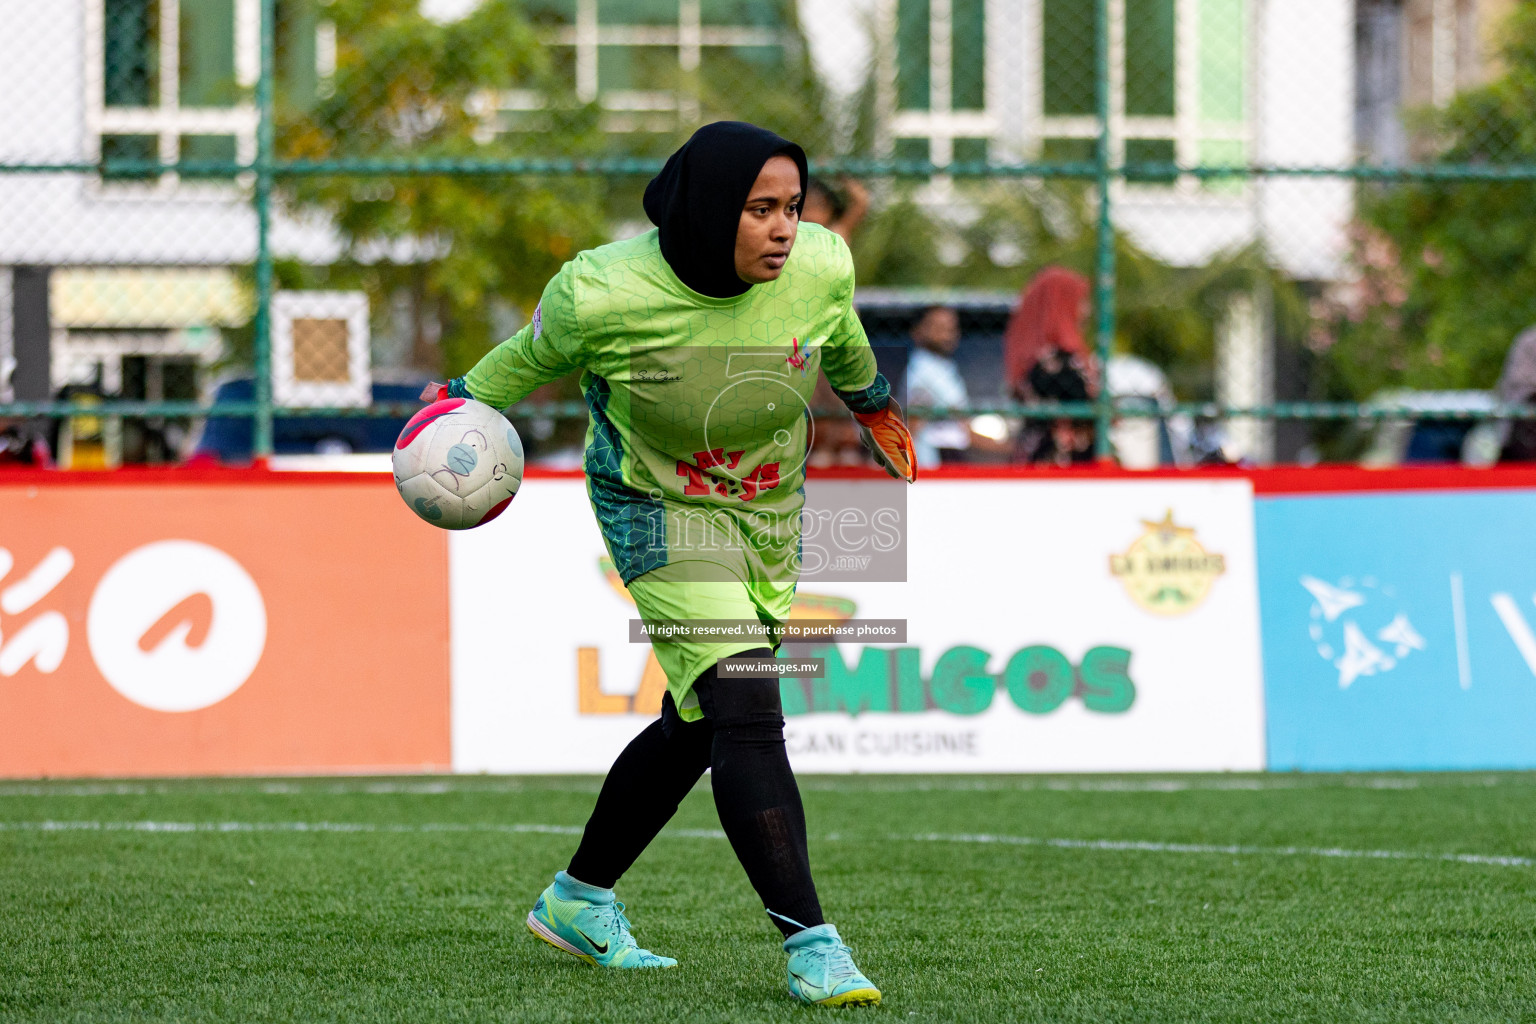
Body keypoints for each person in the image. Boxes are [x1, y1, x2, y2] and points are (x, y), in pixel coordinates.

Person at [424, 122, 915, 1007]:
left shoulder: (821, 265)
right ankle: (813, 945)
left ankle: (579, 899)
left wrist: (874, 405)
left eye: (793, 208)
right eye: (760, 208)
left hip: (765, 511)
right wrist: (453, 411)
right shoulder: (602, 292)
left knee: (699, 721)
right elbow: (522, 362)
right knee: (747, 697)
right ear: (705, 206)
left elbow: (839, 335)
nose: (783, 229)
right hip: (653, 506)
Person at [1003, 266, 1099, 466]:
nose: (1086, 311)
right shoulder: (1055, 361)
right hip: (1061, 462)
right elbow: (1085, 405)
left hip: (1038, 456)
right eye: (1081, 302)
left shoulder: (1033, 356)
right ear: (1061, 304)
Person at [800, 175, 869, 247]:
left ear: (830, 211)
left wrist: (840, 172)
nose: (810, 213)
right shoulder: (794, 232)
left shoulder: (835, 233)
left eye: (817, 205)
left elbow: (861, 201)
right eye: (805, 207)